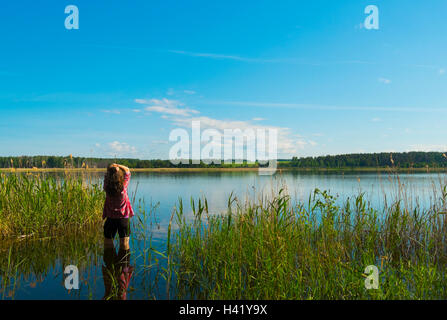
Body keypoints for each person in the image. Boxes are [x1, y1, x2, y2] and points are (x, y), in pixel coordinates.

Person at [102, 163, 134, 250]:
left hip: (110, 219)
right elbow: (127, 170)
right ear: (120, 176)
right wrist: (118, 165)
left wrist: (111, 168)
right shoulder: (123, 187)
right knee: (124, 245)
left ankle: (109, 261)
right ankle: (124, 262)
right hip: (123, 219)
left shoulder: (106, 187)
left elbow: (106, 176)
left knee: (108, 244)